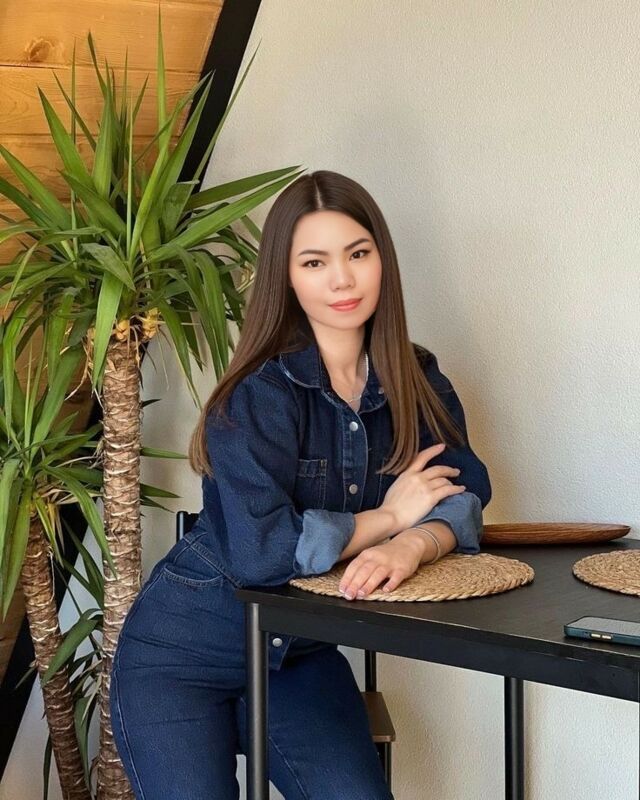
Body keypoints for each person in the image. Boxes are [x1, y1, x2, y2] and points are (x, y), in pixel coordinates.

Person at [110, 170, 492, 799]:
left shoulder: (416, 377)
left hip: (298, 656)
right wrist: (389, 519)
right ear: (286, 278)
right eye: (315, 262)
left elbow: (466, 490)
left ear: (382, 260)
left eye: (358, 254)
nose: (342, 279)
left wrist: (413, 545)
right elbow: (261, 552)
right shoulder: (259, 392)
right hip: (185, 656)